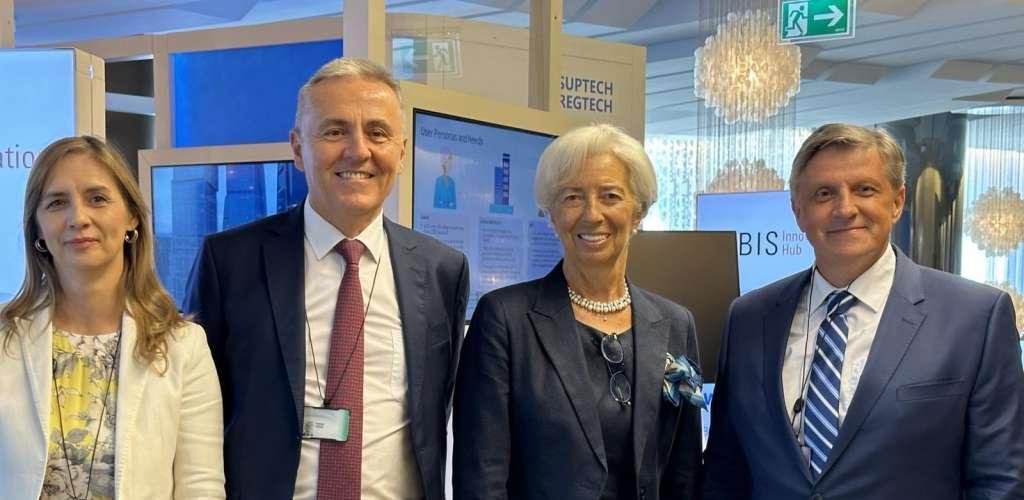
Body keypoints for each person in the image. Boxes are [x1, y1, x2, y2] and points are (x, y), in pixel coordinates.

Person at [185, 57, 470, 500]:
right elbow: (194, 415)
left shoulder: (442, 271)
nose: (358, 151)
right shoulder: (229, 262)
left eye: (378, 132)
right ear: (298, 148)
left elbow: (440, 408)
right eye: (335, 131)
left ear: (401, 151)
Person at [702, 123, 1024, 499]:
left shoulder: (975, 318)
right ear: (798, 211)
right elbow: (725, 469)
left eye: (864, 189)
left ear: (897, 201)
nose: (845, 208)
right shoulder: (749, 318)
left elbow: (1001, 480)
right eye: (824, 194)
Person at [453, 124, 703, 500]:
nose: (592, 214)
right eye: (572, 197)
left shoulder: (675, 324)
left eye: (610, 196)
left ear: (638, 211)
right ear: (551, 214)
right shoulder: (505, 319)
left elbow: (685, 476)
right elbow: (481, 478)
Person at [0, 136, 224, 499]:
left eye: (97, 199)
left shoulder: (184, 346)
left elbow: (201, 486)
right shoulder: (4, 338)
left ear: (131, 217)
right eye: (57, 203)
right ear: (37, 227)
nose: (78, 218)